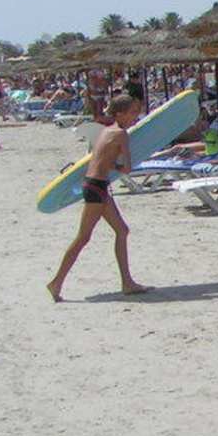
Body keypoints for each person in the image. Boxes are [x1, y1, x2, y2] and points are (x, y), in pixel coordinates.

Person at [46, 94, 150, 302]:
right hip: (97, 187)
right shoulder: (121, 134)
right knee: (83, 237)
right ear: (119, 113)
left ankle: (127, 282)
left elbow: (100, 159)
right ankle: (56, 282)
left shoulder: (106, 131)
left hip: (94, 185)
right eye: (132, 112)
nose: (135, 116)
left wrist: (112, 164)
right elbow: (127, 168)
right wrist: (120, 164)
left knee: (122, 230)